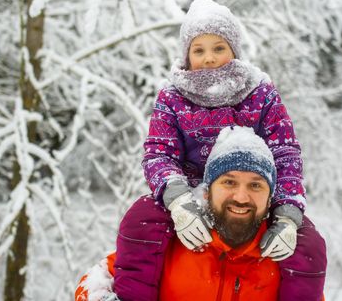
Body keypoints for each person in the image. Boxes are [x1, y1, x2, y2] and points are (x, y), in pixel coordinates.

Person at [115, 0, 326, 300]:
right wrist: (176, 199)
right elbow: (159, 152)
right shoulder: (173, 95)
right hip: (190, 191)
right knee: (143, 219)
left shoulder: (259, 91)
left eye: (219, 48)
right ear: (186, 55)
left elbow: (284, 152)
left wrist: (287, 214)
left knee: (308, 244)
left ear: (234, 51)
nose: (209, 58)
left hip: (248, 186)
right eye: (198, 50)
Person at [76, 126, 326, 300]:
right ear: (206, 192)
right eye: (229, 182)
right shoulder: (165, 243)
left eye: (255, 185)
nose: (241, 196)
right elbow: (95, 279)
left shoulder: (286, 261)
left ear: (270, 198)